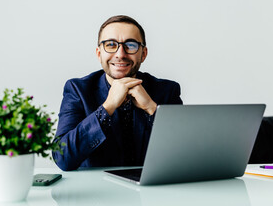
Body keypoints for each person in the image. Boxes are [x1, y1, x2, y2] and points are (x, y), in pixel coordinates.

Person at [52, 15, 182, 171]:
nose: (120, 54)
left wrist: (152, 108)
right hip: (97, 192)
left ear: (143, 53)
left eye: (131, 45)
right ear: (99, 53)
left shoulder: (167, 91)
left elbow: (185, 154)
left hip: (151, 192)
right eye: (111, 45)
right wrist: (108, 107)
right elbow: (63, 157)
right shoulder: (77, 90)